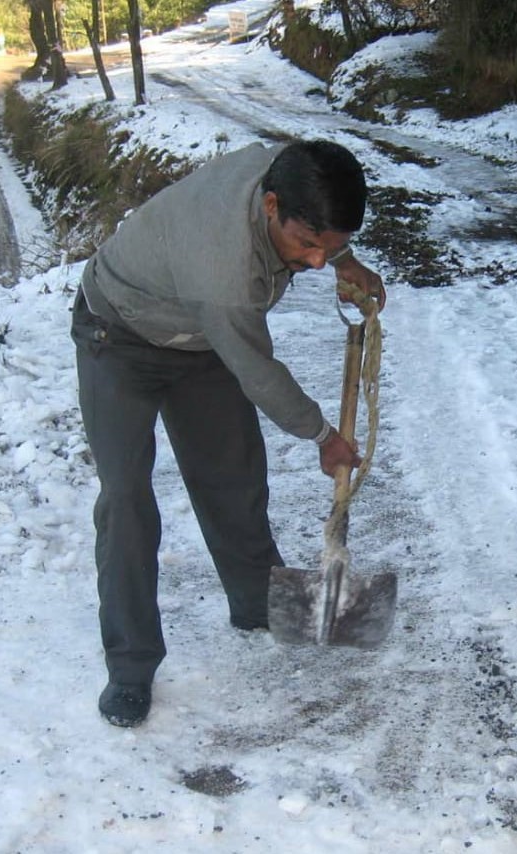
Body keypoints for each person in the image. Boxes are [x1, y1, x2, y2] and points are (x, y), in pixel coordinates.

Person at [72, 139, 385, 728]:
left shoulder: (285, 170)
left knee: (234, 477)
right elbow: (257, 371)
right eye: (308, 245)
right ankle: (131, 666)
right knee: (126, 501)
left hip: (198, 337)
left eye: (331, 246)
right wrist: (323, 436)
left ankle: (255, 604)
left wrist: (346, 260)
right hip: (118, 337)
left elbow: (316, 231)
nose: (317, 261)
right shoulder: (225, 269)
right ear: (271, 205)